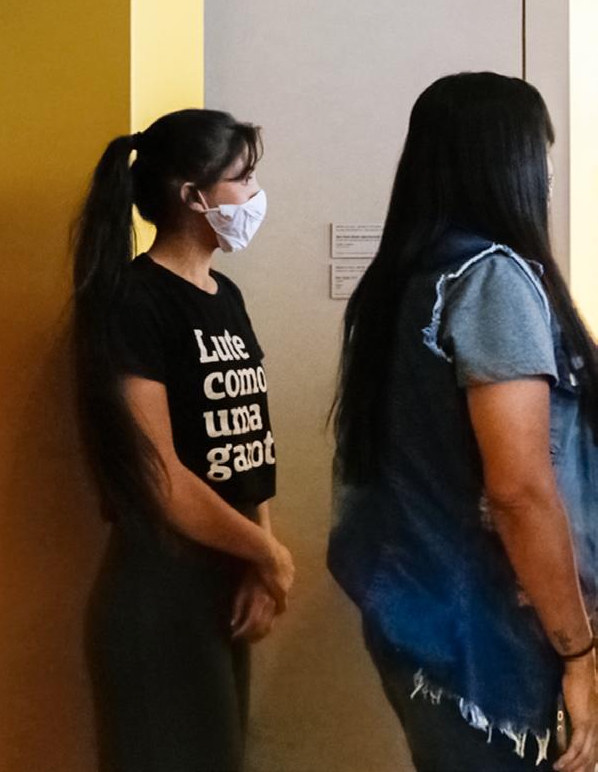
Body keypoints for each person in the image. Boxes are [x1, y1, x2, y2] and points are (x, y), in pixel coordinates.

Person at [328, 73, 598, 772]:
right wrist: (578, 651)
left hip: (418, 618)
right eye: (541, 152)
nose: (547, 171)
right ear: (508, 162)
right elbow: (518, 490)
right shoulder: (492, 278)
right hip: (488, 637)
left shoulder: (401, 278)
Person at [72, 109, 294, 772]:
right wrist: (271, 554)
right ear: (193, 196)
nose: (254, 194)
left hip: (224, 583)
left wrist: (258, 558)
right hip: (162, 590)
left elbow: (249, 445)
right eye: (242, 178)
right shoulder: (134, 301)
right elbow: (160, 476)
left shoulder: (225, 294)